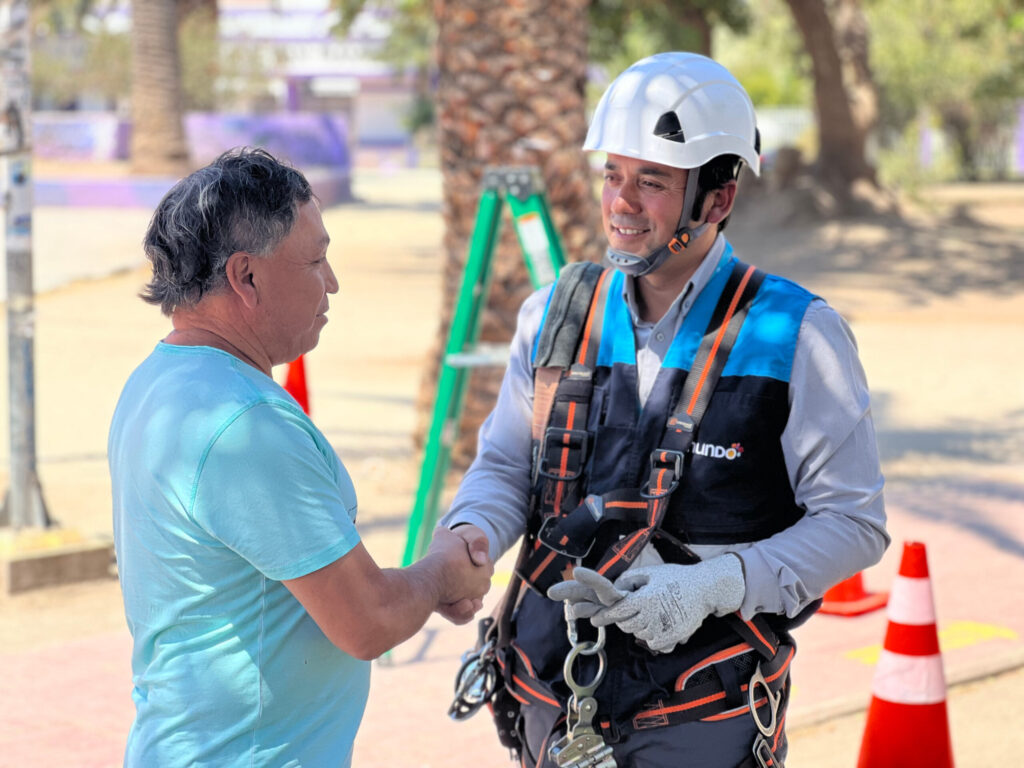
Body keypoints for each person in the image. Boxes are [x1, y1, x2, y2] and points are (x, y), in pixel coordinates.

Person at [442, 52, 889, 767]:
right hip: (549, 705)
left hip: (700, 720)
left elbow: (854, 523)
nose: (621, 201)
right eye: (613, 175)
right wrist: (465, 538)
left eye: (652, 182)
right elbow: (503, 467)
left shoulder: (795, 334)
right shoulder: (554, 317)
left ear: (718, 198)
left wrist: (719, 584)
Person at [108, 147, 493, 767]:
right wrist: (443, 571)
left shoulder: (160, 382)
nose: (332, 281)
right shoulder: (243, 423)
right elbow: (367, 620)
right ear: (246, 277)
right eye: (315, 260)